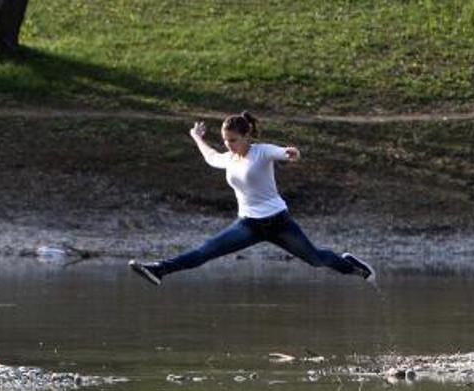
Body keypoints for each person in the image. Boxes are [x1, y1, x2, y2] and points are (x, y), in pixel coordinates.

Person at [128, 113, 375, 286]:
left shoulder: (261, 152)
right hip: (247, 225)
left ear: (247, 136)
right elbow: (211, 156)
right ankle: (159, 270)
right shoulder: (229, 159)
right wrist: (196, 137)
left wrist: (291, 153)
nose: (229, 145)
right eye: (226, 140)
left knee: (317, 260)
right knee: (204, 252)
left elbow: (283, 152)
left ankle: (352, 266)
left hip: (279, 223)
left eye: (233, 140)